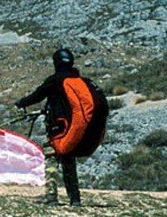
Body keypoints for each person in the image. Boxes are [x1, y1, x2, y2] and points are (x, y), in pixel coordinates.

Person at [15, 48, 108, 207]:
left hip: (59, 129)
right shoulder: (79, 80)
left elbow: (37, 95)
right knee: (68, 163)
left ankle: (52, 197)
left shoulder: (56, 80)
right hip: (73, 129)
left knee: (51, 160)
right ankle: (75, 199)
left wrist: (21, 103)